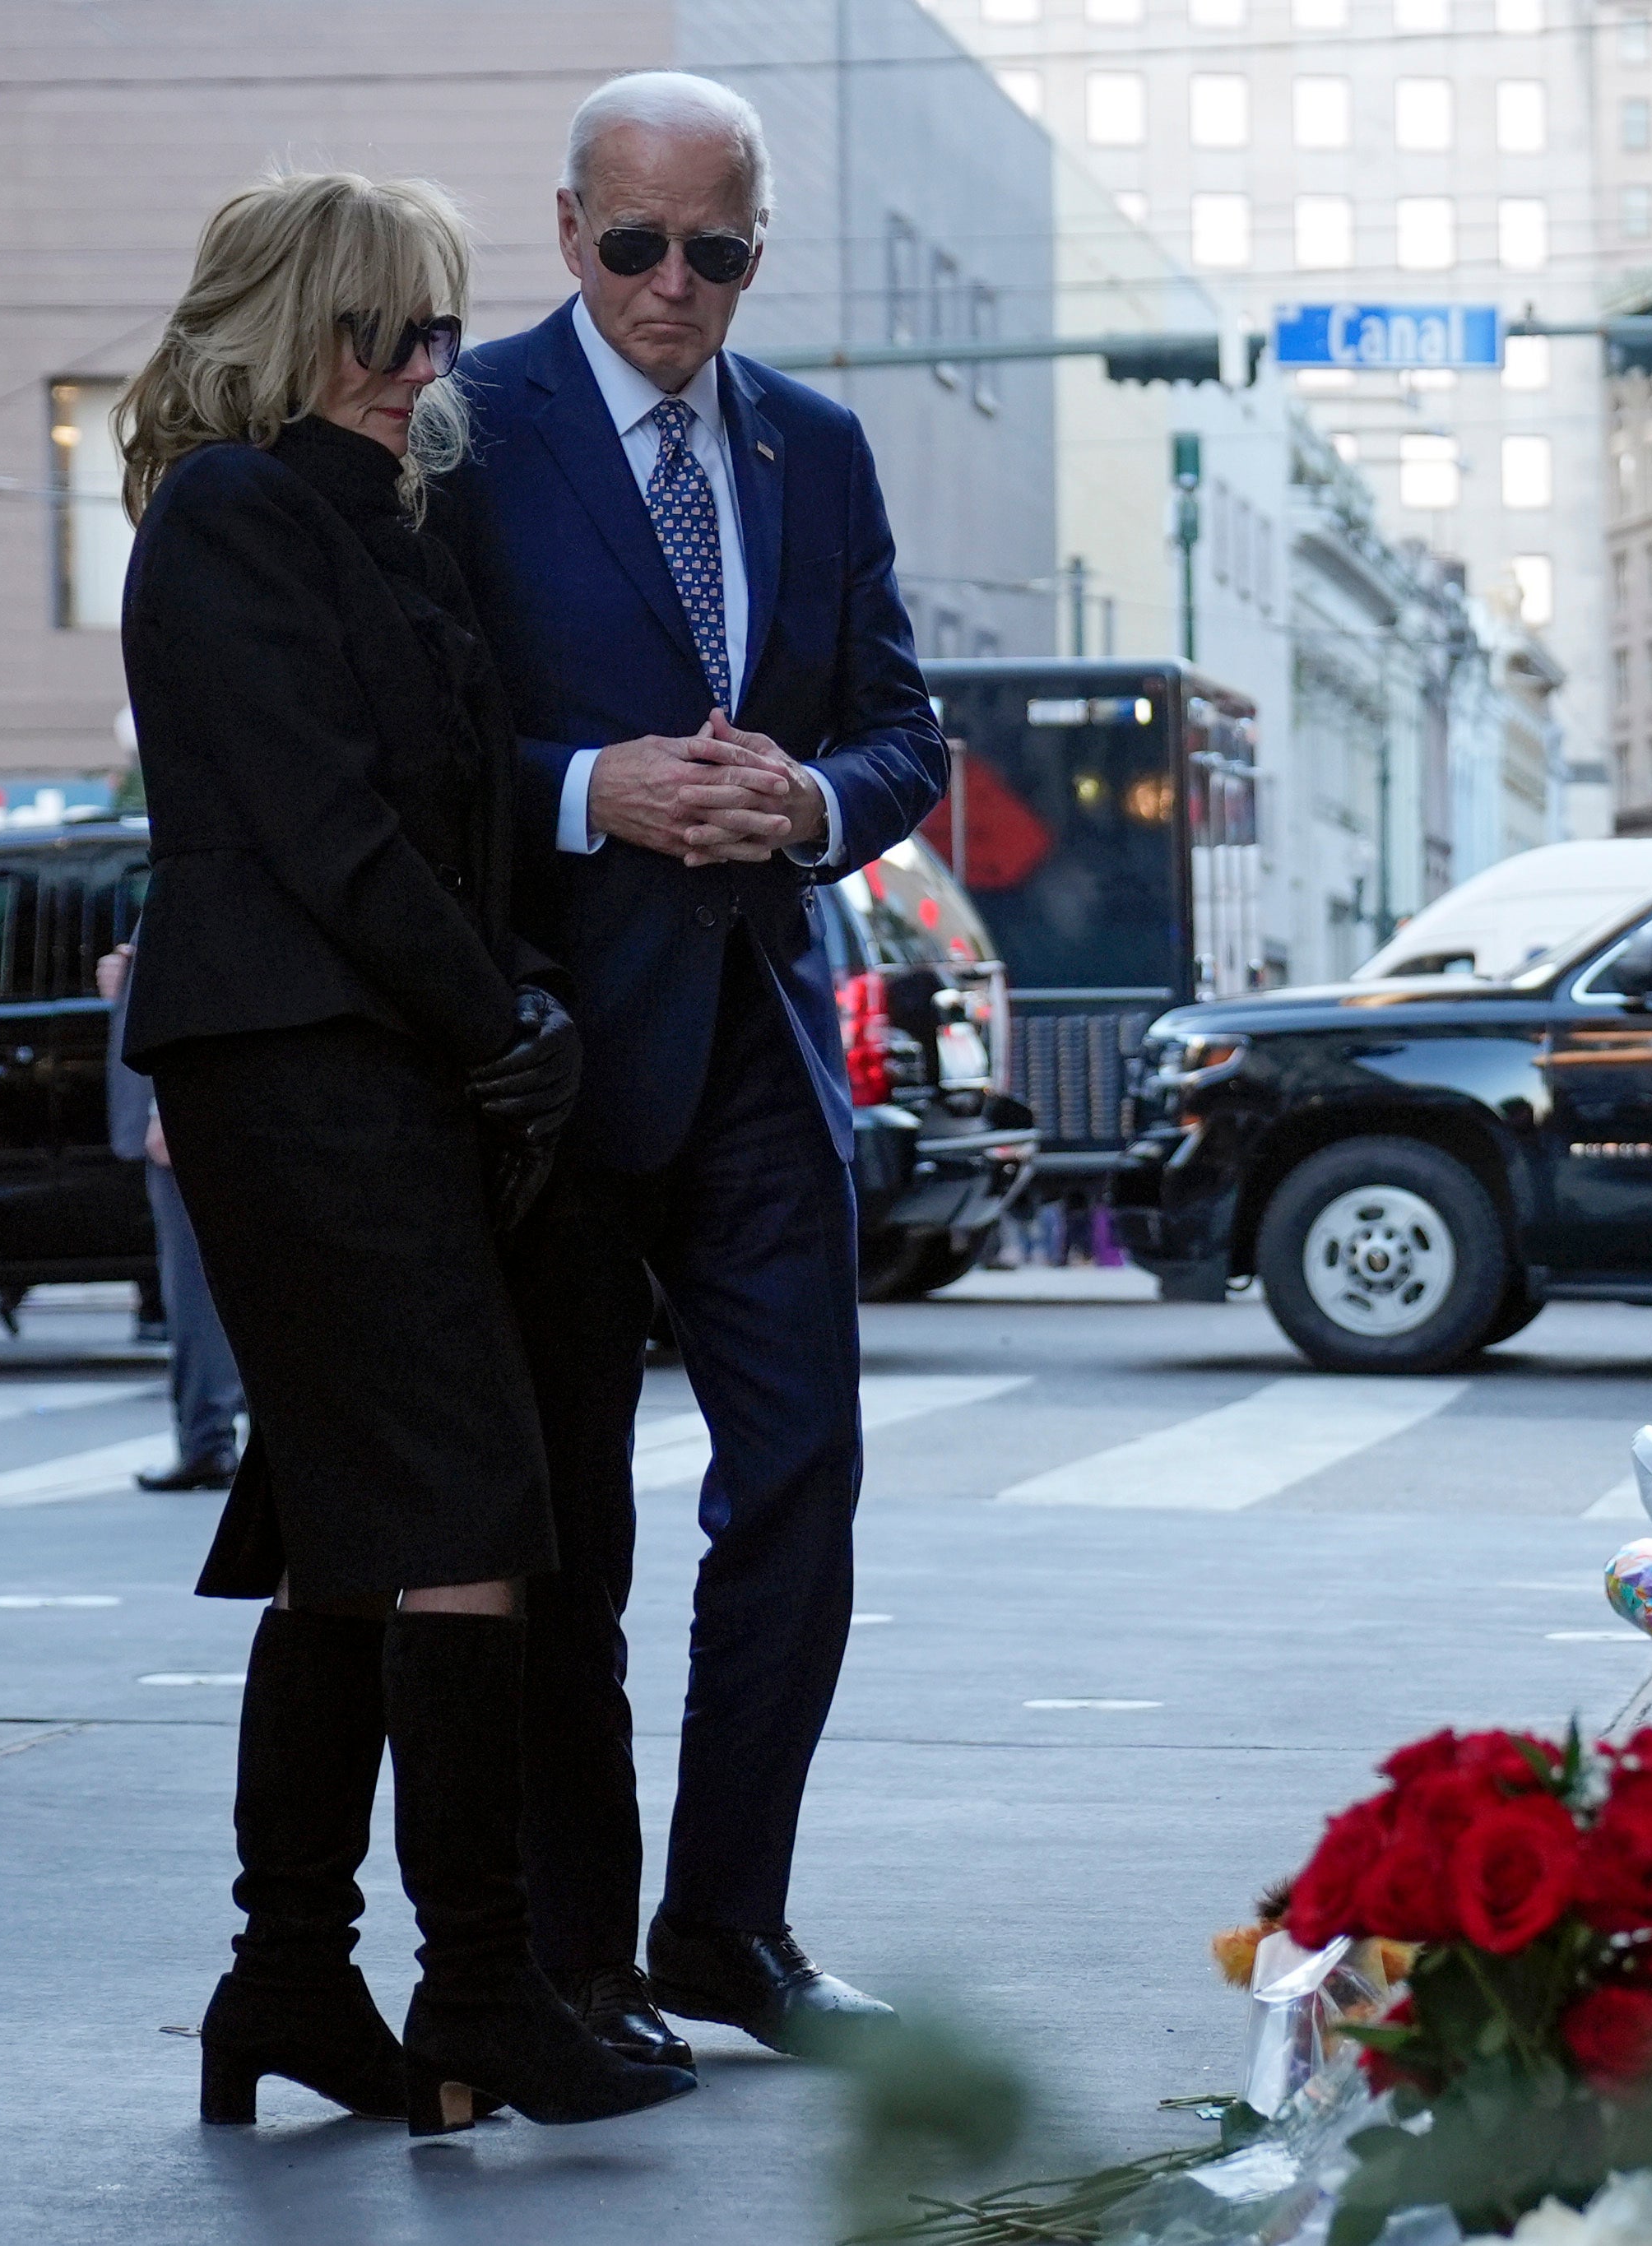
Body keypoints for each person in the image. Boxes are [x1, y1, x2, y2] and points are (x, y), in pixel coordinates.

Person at [114, 169, 695, 2135]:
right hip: (295, 1066)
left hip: (399, 1069)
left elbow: (459, 817)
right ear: (287, 322)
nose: (419, 370)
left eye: (441, 332)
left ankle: (286, 1982)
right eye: (382, 333)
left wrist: (515, 996)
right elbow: (323, 828)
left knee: (358, 1545)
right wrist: (502, 1017)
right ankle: (471, 1989)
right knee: (456, 1524)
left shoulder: (392, 520)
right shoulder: (228, 514)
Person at [450, 72, 944, 2062]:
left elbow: (910, 730)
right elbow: (402, 742)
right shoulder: (467, 433)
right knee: (572, 1522)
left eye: (715, 248)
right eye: (636, 243)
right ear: (568, 233)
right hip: (556, 1061)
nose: (674, 284)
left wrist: (811, 803)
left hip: (758, 1038)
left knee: (803, 1485)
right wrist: (592, 790)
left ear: (757, 246)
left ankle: (725, 1924)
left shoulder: (813, 450)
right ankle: (576, 1953)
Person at [97, 938, 247, 1488]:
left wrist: (167, 1104)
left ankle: (207, 1438)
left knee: (195, 1287)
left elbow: (195, 972)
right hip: (201, 1103)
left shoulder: (192, 856)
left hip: (189, 1105)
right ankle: (209, 1437)